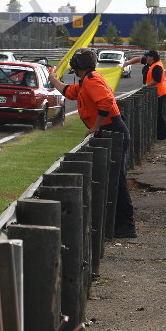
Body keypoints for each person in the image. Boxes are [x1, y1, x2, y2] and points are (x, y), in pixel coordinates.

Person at [49, 47, 137, 238]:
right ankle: (117, 224)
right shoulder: (86, 81)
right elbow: (70, 92)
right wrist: (53, 79)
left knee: (116, 180)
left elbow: (105, 102)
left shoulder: (92, 80)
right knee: (111, 179)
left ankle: (126, 226)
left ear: (76, 65)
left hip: (112, 130)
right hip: (110, 129)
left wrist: (96, 126)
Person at [124, 50, 166, 140]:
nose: (146, 58)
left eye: (148, 56)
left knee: (158, 114)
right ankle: (158, 134)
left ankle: (163, 134)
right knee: (155, 114)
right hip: (154, 92)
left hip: (159, 93)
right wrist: (127, 63)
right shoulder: (149, 62)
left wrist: (146, 85)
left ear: (152, 58)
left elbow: (157, 80)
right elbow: (138, 59)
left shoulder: (157, 66)